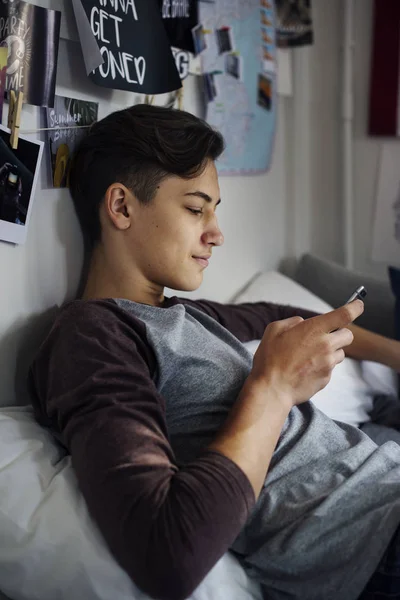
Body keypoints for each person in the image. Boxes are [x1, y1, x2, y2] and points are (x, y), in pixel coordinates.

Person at [28, 104, 400, 600]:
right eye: (195, 208)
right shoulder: (93, 337)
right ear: (121, 207)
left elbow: (278, 310)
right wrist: (272, 388)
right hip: (377, 544)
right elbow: (168, 556)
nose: (216, 233)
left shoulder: (181, 313)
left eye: (214, 210)